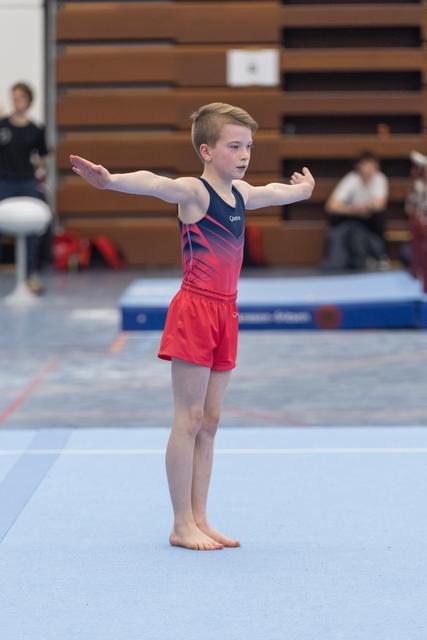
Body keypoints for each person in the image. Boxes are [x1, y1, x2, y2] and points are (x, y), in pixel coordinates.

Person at [70, 102, 315, 551]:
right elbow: (157, 183)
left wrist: (302, 191)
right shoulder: (195, 194)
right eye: (234, 146)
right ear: (206, 151)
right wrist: (111, 181)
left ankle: (200, 517)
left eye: (249, 146)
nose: (244, 155)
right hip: (196, 310)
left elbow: (275, 192)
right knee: (189, 418)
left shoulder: (242, 195)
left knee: (212, 420)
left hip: (227, 311)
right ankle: (180, 522)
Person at [0, 82, 49, 293]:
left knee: (31, 229)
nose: (16, 101)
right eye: (13, 97)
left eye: (20, 97)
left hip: (27, 182)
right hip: (4, 182)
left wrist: (39, 168)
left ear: (28, 101)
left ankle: (30, 276)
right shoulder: (2, 126)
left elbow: (43, 157)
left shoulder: (36, 129)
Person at [323, 152, 389, 272]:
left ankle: (377, 255)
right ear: (359, 166)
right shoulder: (351, 179)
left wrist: (366, 208)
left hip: (370, 222)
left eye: (372, 165)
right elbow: (331, 205)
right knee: (348, 226)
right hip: (351, 218)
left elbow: (380, 204)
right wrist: (352, 209)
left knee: (379, 217)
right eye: (366, 165)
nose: (369, 169)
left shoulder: (380, 179)